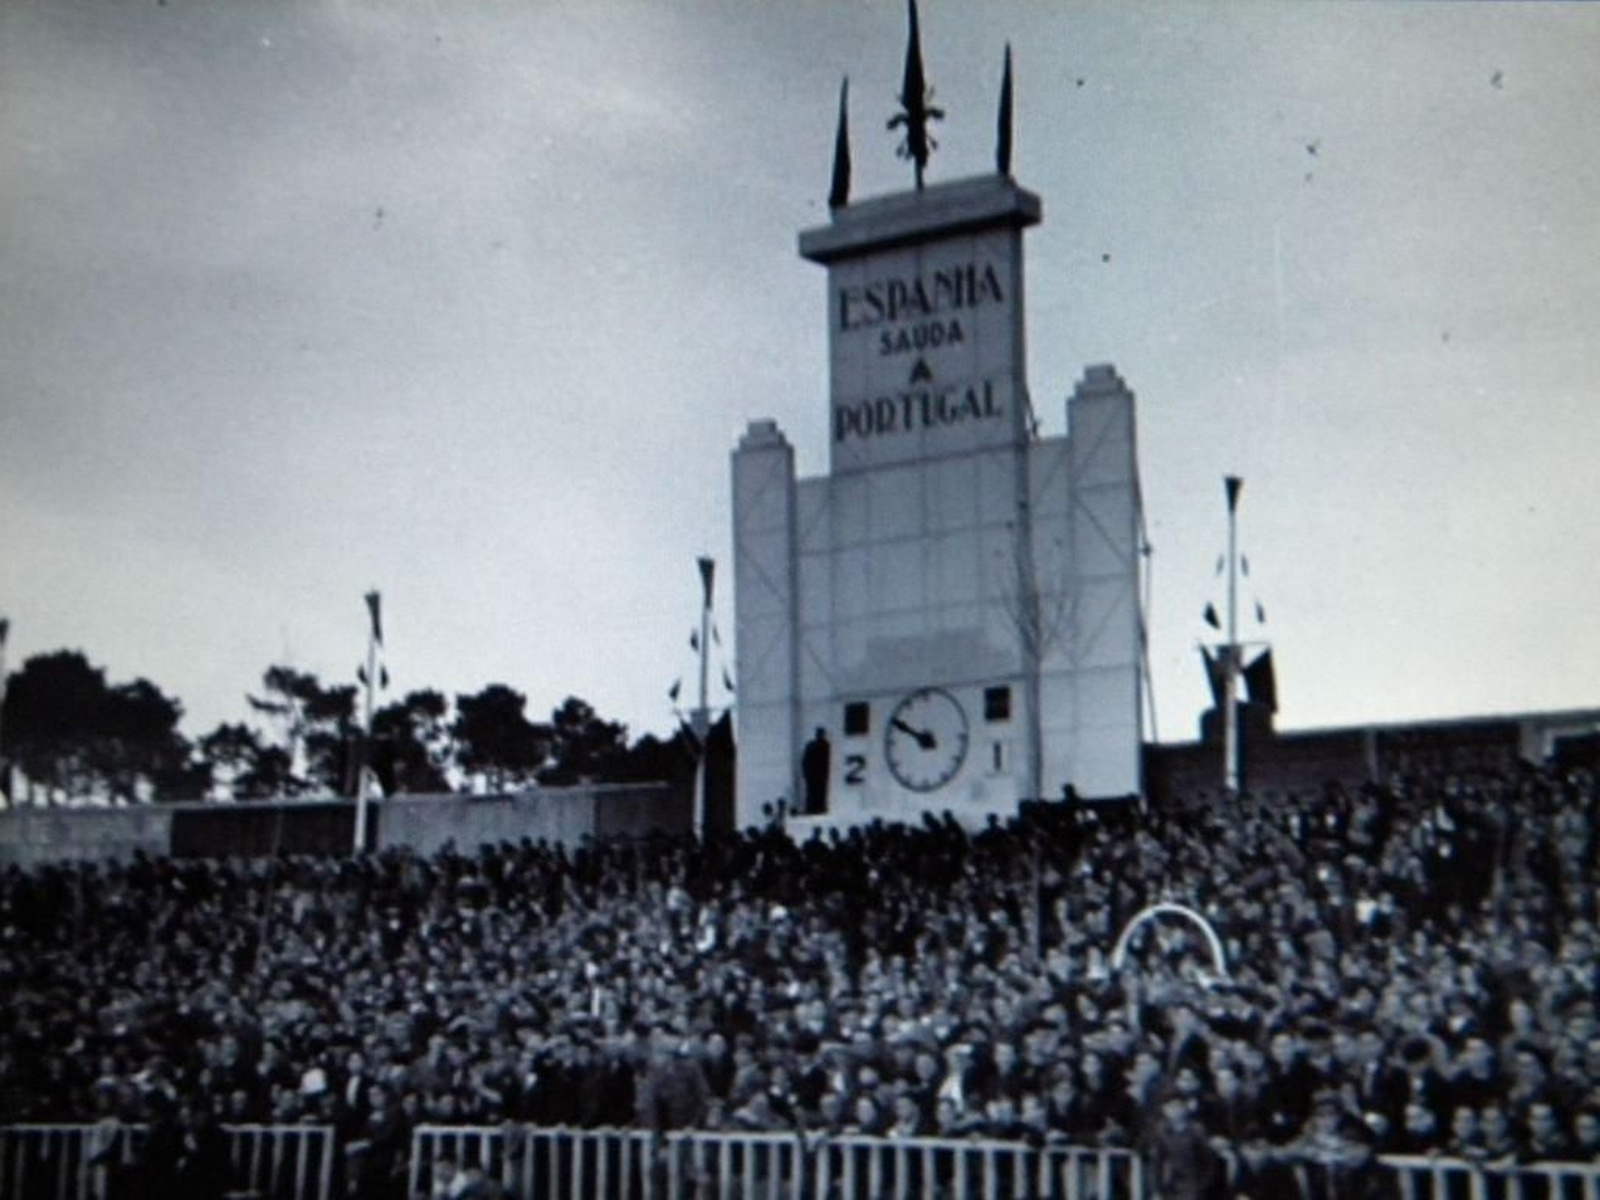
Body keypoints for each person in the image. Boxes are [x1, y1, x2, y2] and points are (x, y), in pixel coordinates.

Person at [801, 728, 831, 815]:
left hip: (818, 774)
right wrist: (806, 772)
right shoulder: (823, 746)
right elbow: (805, 760)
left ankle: (817, 808)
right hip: (815, 774)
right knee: (814, 792)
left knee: (818, 792)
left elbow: (804, 760)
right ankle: (814, 808)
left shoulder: (823, 745)